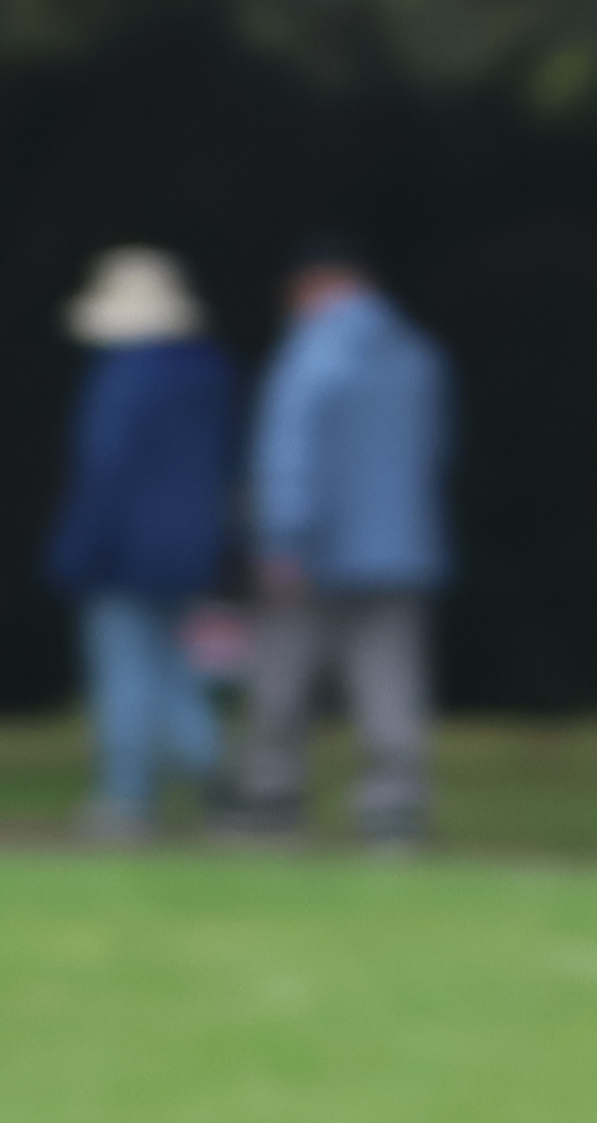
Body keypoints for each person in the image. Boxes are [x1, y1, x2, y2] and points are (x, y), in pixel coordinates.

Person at [231, 239, 447, 848]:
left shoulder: (310, 355)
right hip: (401, 546)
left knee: (283, 673)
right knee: (391, 676)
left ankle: (273, 791)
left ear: (314, 287)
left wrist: (281, 540)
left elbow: (289, 455)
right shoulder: (417, 355)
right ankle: (395, 801)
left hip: (317, 549)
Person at [42, 249, 239, 843]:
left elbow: (105, 469)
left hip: (124, 547)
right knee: (174, 666)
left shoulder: (124, 378)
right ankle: (214, 775)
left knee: (124, 669)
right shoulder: (213, 375)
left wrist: (76, 549)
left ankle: (127, 797)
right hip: (192, 546)